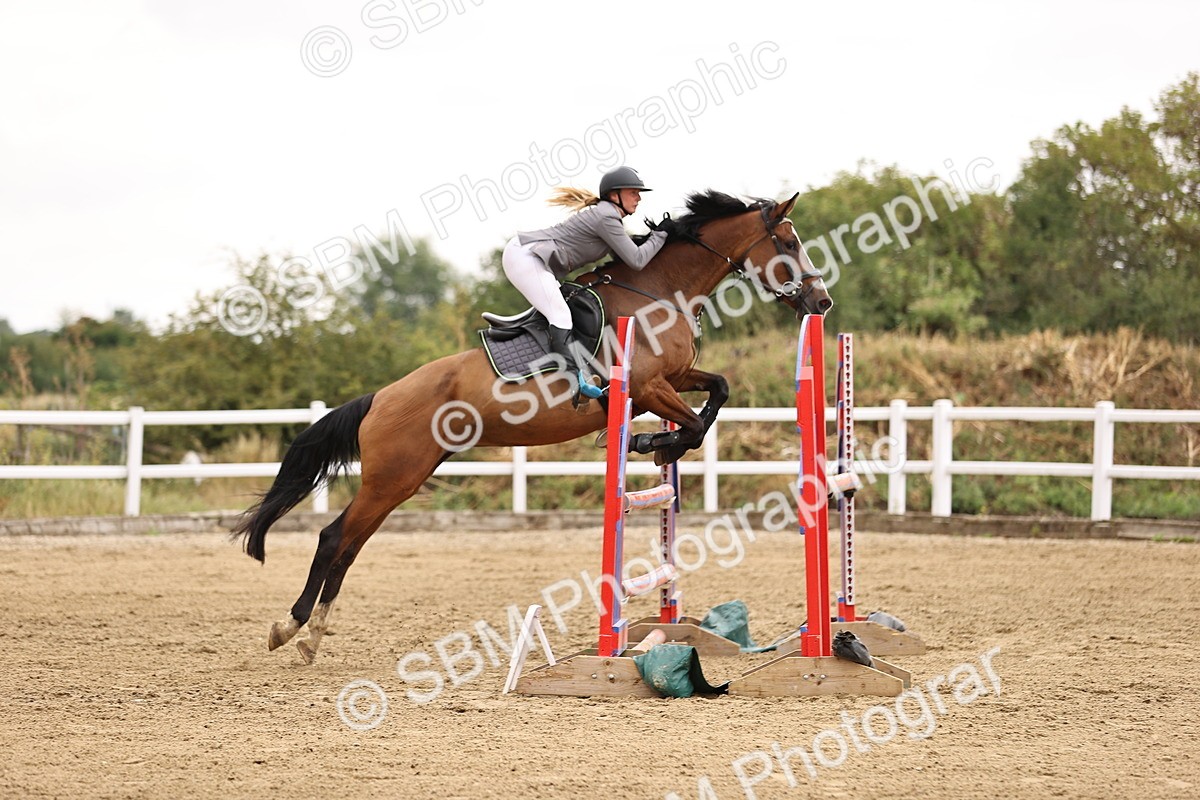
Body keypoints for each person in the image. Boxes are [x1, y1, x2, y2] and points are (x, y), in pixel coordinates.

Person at [502, 166, 668, 401]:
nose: (639, 198)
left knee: (559, 311)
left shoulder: (607, 217)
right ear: (615, 195)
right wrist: (660, 236)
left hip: (528, 256)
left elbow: (626, 257)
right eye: (634, 192)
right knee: (560, 315)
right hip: (525, 257)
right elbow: (637, 260)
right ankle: (572, 382)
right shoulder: (606, 217)